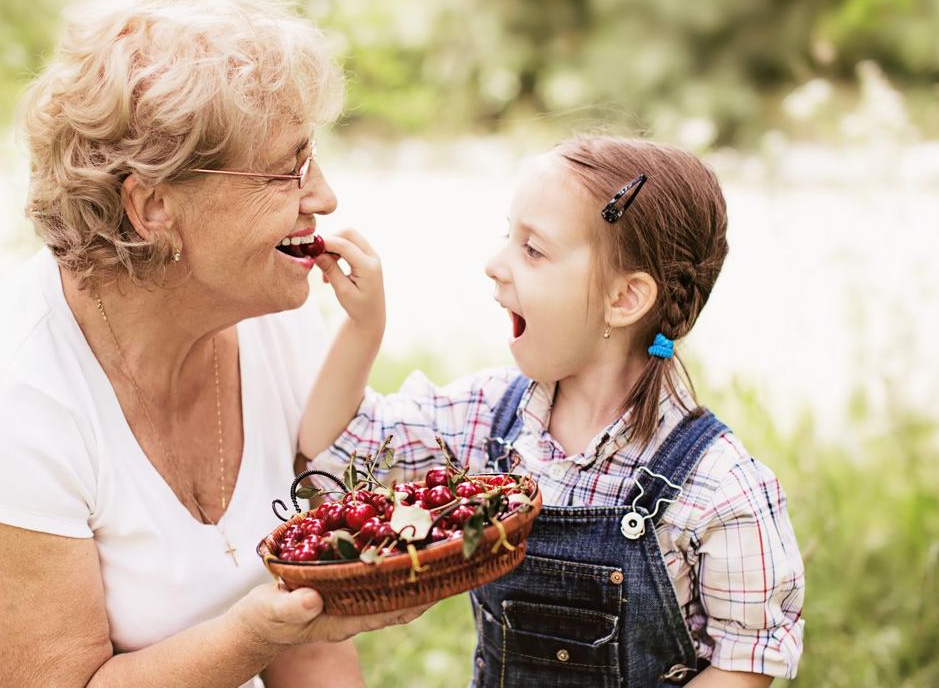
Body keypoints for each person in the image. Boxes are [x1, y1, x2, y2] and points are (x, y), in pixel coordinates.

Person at [0, 0, 426, 686]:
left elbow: (312, 638)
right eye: (286, 170)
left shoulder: (276, 321)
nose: (324, 196)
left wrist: (295, 618)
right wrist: (252, 634)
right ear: (153, 205)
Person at [300, 135, 805, 686]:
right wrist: (364, 326)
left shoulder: (716, 486)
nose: (495, 265)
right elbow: (332, 446)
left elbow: (746, 659)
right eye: (507, 237)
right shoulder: (492, 420)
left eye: (533, 250)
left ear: (625, 298)